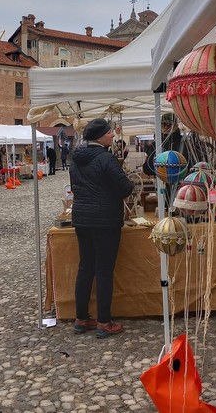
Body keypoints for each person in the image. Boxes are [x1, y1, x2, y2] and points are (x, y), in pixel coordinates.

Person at [69, 119, 134, 338]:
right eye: (109, 133)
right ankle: (104, 322)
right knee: (104, 271)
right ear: (99, 137)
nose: (112, 136)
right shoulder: (106, 159)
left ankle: (81, 318)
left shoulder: (75, 159)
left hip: (82, 218)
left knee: (85, 267)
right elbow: (124, 188)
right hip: (105, 221)